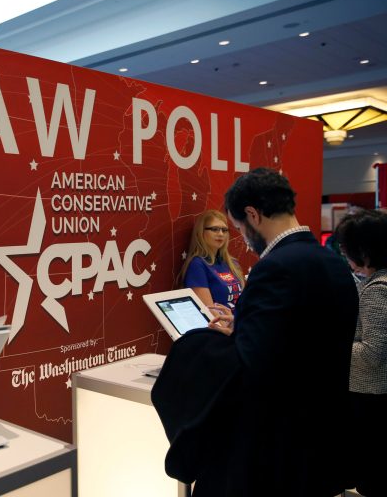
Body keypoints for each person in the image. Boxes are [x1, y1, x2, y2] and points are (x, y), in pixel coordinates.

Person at [152, 167, 359, 497]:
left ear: (252, 214)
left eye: (238, 228)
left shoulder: (275, 267)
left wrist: (207, 343)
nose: (243, 240)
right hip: (319, 440)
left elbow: (253, 368)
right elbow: (303, 339)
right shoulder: (330, 261)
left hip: (273, 452)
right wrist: (246, 328)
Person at [335, 209, 387, 497]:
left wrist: (331, 345)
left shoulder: (377, 289)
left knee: (371, 476)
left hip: (371, 395)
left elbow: (371, 352)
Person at [179, 209, 244, 307]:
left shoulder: (232, 263)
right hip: (222, 322)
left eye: (224, 230)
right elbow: (210, 312)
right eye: (215, 229)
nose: (221, 234)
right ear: (201, 232)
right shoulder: (197, 264)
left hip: (241, 321)